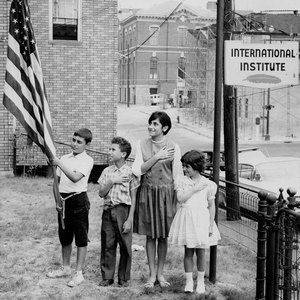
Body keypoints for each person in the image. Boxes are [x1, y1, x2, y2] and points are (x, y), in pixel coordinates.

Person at [132, 111, 182, 288]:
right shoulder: (141, 144)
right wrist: (156, 157)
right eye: (150, 123)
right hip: (148, 193)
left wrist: (179, 201)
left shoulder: (174, 147)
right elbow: (138, 171)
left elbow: (177, 176)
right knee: (151, 236)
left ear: (165, 128)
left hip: (166, 196)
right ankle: (151, 275)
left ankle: (161, 274)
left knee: (162, 236)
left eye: (155, 124)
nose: (151, 127)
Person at [46, 128, 94, 287]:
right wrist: (57, 201)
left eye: (79, 142)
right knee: (64, 236)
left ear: (86, 145)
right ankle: (65, 267)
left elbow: (74, 178)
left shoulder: (88, 160)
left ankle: (78, 273)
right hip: (63, 201)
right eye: (73, 140)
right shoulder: (65, 158)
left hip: (78, 200)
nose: (74, 144)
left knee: (81, 237)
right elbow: (56, 181)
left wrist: (59, 162)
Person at [168, 150, 221, 294]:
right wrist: (194, 189)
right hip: (187, 218)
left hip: (201, 220)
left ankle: (201, 282)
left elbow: (211, 206)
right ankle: (189, 281)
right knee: (188, 251)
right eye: (183, 166)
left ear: (196, 167)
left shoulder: (208, 184)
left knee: (201, 251)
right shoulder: (182, 181)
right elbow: (180, 198)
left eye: (187, 167)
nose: (184, 169)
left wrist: (210, 224)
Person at [98, 137, 139, 287]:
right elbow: (101, 193)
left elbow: (133, 198)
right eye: (110, 149)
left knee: (125, 246)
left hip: (124, 211)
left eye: (113, 149)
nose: (109, 152)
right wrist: (111, 181)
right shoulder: (107, 171)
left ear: (123, 154)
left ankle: (123, 278)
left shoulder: (131, 172)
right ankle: (107, 276)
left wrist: (129, 219)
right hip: (108, 211)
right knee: (108, 244)